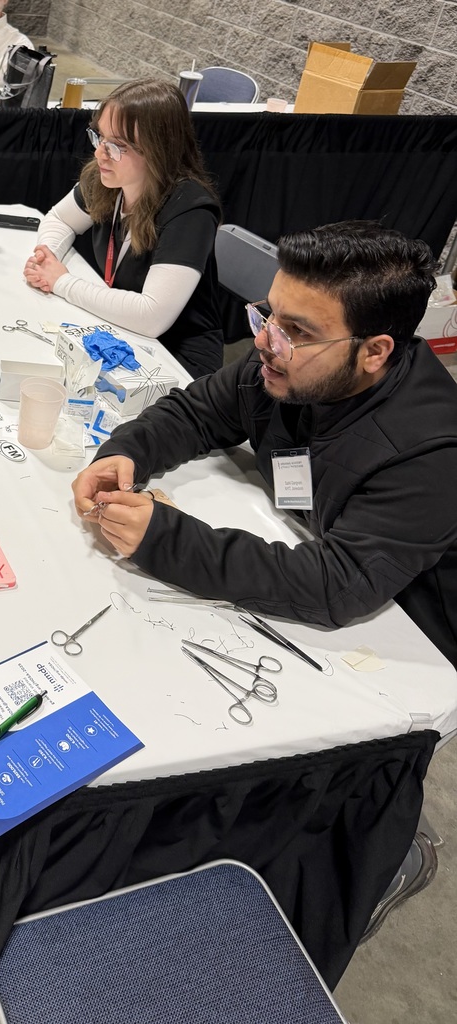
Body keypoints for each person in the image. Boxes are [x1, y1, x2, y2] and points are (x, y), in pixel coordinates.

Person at [71, 220, 457, 667]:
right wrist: (128, 452)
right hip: (302, 541)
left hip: (410, 638)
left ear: (374, 352)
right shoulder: (286, 364)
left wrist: (165, 540)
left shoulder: (432, 454)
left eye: (297, 330)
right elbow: (199, 411)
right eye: (269, 313)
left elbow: (336, 585)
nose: (263, 339)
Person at [23, 78, 223, 379]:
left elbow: (151, 316)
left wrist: (61, 282)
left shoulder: (190, 210)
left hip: (174, 359)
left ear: (158, 150)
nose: (100, 154)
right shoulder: (106, 178)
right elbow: (60, 219)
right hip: (118, 331)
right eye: (99, 137)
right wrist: (45, 257)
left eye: (118, 146)